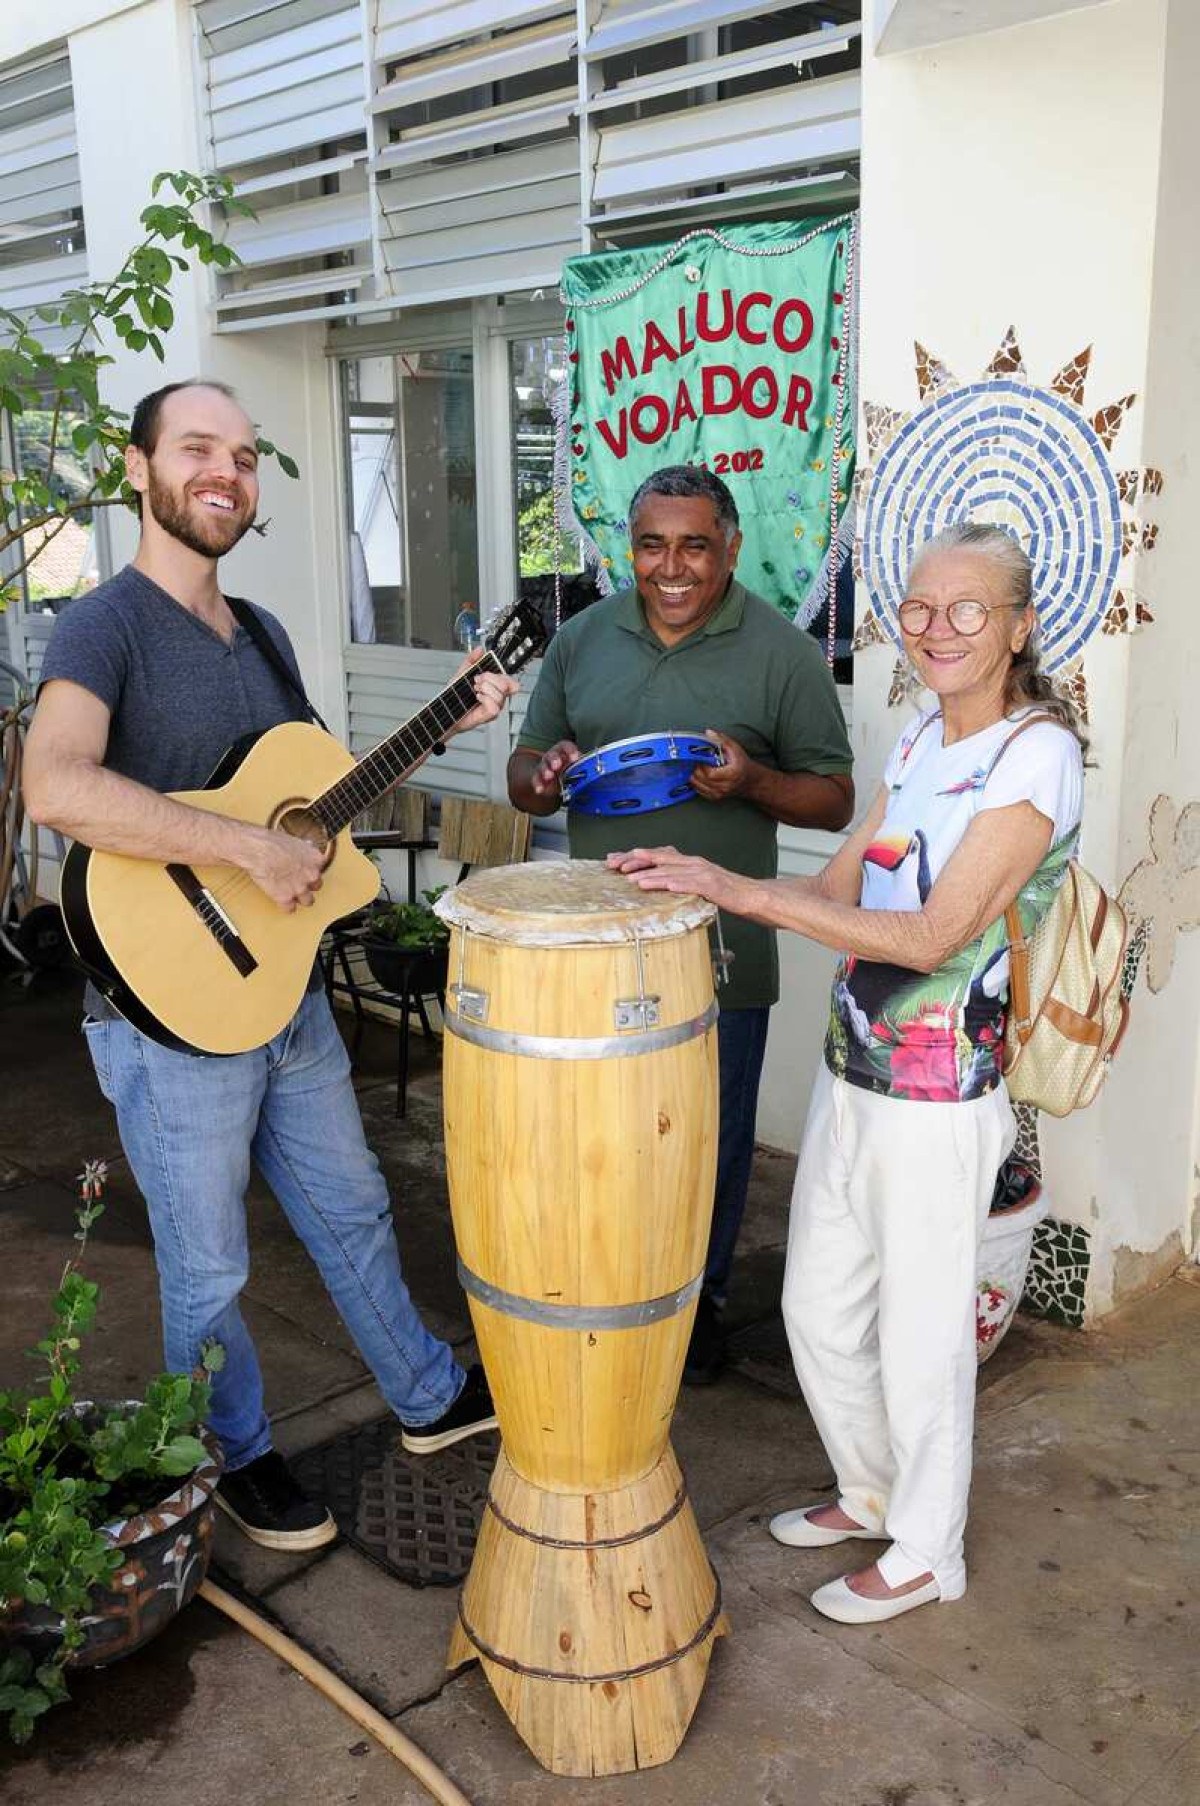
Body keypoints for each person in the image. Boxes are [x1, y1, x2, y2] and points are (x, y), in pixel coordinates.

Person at [24, 379, 517, 1552]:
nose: (227, 475)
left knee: (351, 1208)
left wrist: (443, 719)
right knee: (211, 1267)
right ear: (138, 468)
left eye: (244, 458)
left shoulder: (264, 633)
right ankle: (232, 1452)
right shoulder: (107, 625)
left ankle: (426, 1393)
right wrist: (244, 846)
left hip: (282, 992)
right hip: (168, 1015)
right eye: (199, 449)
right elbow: (57, 785)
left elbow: (313, 803)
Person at [612, 521, 1085, 1621]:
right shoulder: (922, 740)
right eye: (919, 608)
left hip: (939, 1098)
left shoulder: (1035, 758)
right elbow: (834, 891)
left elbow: (931, 937)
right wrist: (703, 894)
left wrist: (741, 891)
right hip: (853, 1072)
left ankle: (931, 1549)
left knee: (923, 1336)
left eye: (969, 610)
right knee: (820, 1308)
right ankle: (873, 1491)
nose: (937, 629)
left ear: (1016, 627)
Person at [507, 465, 853, 1383]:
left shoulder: (781, 654)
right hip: (595, 948)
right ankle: (608, 1297)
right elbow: (524, 766)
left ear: (731, 549)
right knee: (601, 1134)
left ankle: (695, 1316)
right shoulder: (582, 639)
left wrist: (753, 782)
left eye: (695, 545)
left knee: (709, 1140)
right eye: (653, 544)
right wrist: (543, 774)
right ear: (632, 546)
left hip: (721, 950)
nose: (672, 567)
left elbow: (833, 799)